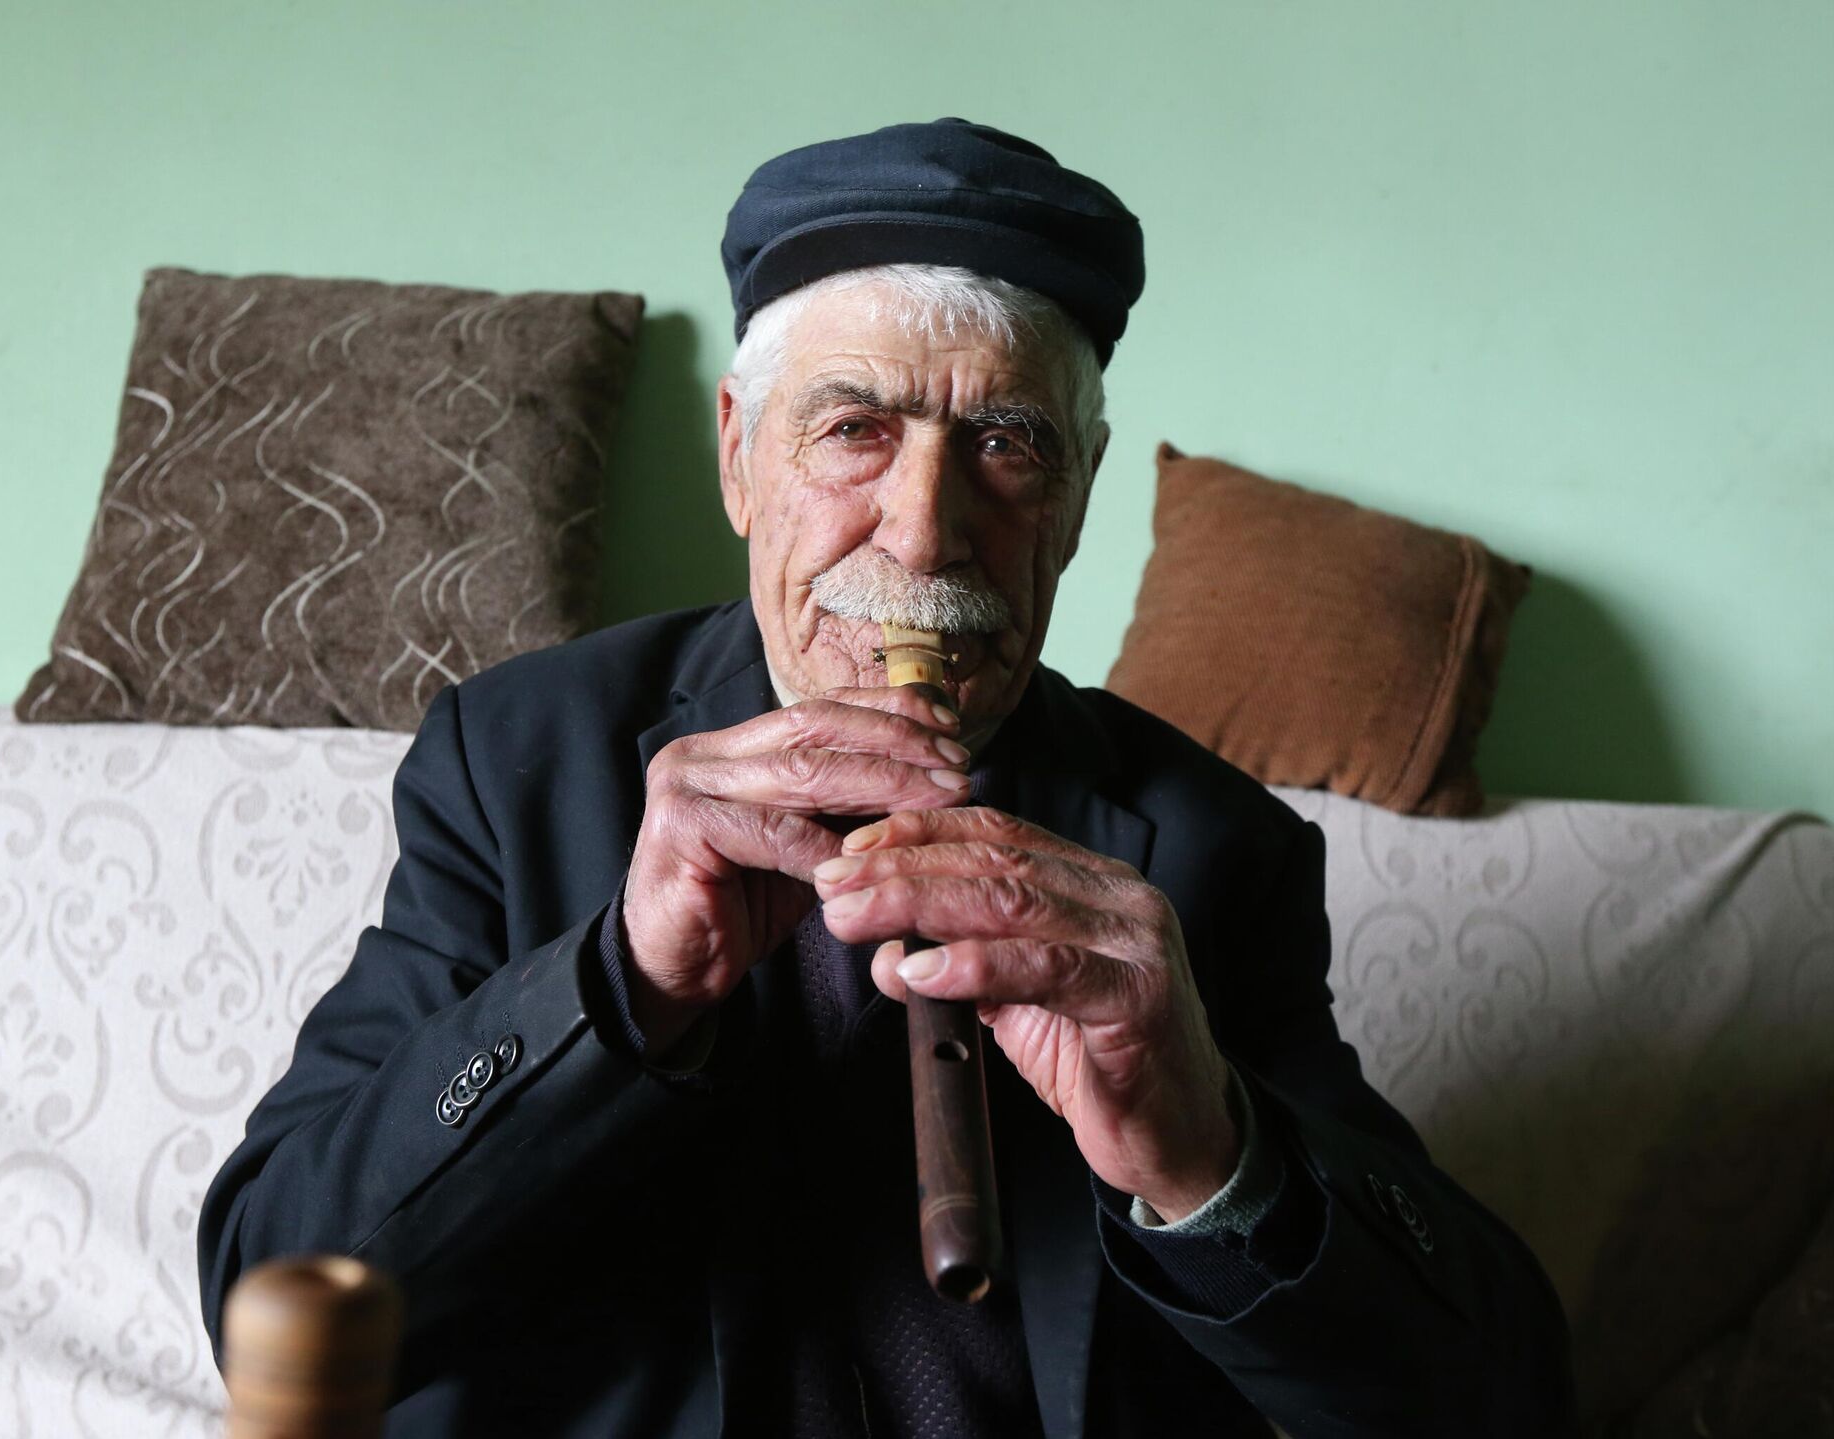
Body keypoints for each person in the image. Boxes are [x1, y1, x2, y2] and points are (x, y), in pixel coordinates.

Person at [198, 118, 1574, 1437]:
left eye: (1007, 446)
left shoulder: (1215, 847)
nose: (923, 534)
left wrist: (1210, 1149)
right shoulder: (515, 760)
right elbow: (271, 1292)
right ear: (740, 457)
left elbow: (1499, 1400)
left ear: (1079, 498)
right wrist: (618, 986)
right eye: (855, 430)